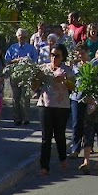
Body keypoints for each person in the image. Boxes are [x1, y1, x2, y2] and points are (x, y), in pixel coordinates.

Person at [37, 44, 74, 176]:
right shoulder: (43, 69)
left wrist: (64, 80)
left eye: (57, 55)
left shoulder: (67, 70)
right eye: (52, 55)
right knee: (46, 137)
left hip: (61, 106)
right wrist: (39, 78)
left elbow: (73, 87)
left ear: (62, 57)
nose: (54, 58)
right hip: (45, 105)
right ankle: (44, 166)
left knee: (59, 134)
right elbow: (34, 86)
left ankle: (62, 158)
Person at [5, 28, 38, 125]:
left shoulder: (31, 48)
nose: (22, 39)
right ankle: (17, 118)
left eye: (24, 37)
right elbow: (7, 61)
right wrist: (16, 60)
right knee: (16, 98)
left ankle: (26, 118)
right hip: (15, 75)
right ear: (17, 37)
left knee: (26, 97)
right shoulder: (12, 48)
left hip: (26, 76)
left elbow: (35, 61)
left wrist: (27, 61)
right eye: (21, 37)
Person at [69, 43, 91, 159]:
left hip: (88, 98)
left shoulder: (92, 65)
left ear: (87, 53)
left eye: (83, 53)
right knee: (76, 123)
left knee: (88, 124)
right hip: (76, 97)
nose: (81, 56)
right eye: (79, 54)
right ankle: (75, 149)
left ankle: (88, 146)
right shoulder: (74, 66)